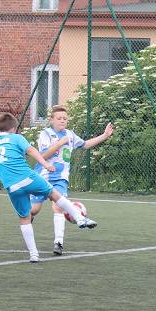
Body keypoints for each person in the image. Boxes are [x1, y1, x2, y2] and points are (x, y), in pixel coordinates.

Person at [0, 113, 96, 263]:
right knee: (54, 194)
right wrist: (45, 164)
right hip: (28, 178)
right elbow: (31, 151)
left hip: (12, 187)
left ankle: (33, 254)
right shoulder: (17, 138)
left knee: (25, 218)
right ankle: (80, 218)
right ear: (13, 128)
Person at [30, 105, 113, 255]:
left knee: (58, 207)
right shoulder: (45, 134)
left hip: (60, 178)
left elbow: (86, 144)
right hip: (43, 176)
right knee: (34, 210)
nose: (62, 120)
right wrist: (59, 143)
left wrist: (105, 135)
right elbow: (43, 156)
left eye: (65, 118)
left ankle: (58, 243)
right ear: (51, 120)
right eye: (59, 118)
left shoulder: (70, 134)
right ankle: (27, 221)